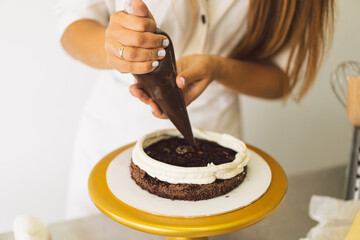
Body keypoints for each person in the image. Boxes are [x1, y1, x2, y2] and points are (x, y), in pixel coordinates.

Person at [57, 0, 334, 219]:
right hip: (115, 137)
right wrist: (114, 48)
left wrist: (219, 67)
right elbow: (72, 25)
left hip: (217, 149)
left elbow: (280, 79)